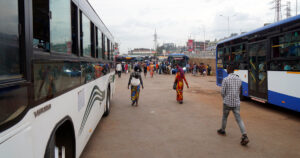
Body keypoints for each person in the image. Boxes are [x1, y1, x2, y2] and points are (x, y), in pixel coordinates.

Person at [217, 64, 249, 146]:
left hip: (227, 102)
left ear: (228, 70)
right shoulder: (239, 79)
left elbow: (222, 92)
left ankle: (223, 130)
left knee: (225, 117)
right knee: (239, 119)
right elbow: (238, 91)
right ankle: (244, 135)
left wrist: (225, 98)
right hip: (236, 103)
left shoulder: (225, 79)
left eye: (227, 69)